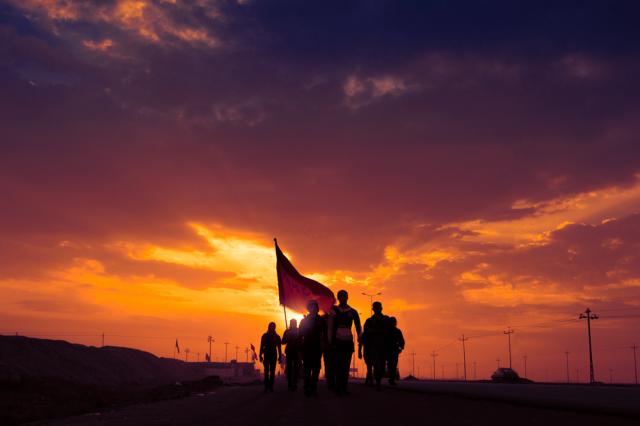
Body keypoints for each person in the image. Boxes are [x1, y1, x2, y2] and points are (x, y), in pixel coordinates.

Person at [328, 289, 361, 395]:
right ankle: (338, 387)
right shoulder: (333, 310)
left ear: (347, 297)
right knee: (337, 366)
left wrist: (360, 339)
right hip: (336, 342)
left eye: (344, 296)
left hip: (348, 342)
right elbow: (330, 326)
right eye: (341, 296)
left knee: (346, 366)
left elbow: (358, 327)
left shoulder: (353, 311)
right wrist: (330, 341)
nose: (343, 298)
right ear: (338, 298)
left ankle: (344, 388)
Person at [360, 301, 389, 390]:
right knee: (376, 365)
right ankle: (378, 383)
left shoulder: (386, 319)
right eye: (375, 308)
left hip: (384, 346)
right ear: (373, 309)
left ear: (381, 308)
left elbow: (390, 331)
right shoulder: (369, 321)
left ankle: (377, 381)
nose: (377, 309)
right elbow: (366, 332)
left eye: (378, 308)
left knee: (382, 365)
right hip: (373, 346)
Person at [299, 300, 326, 397]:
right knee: (307, 368)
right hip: (306, 346)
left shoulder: (321, 320)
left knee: (316, 368)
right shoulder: (304, 321)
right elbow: (300, 335)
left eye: (314, 307)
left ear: (317, 309)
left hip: (317, 347)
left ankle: (313, 387)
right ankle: (307, 388)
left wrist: (324, 345)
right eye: (311, 307)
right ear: (308, 309)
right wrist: (300, 349)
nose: (313, 309)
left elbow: (325, 334)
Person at [259, 322, 282, 392]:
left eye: (273, 327)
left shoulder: (277, 337)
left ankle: (271, 387)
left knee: (272, 371)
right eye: (271, 326)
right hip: (266, 354)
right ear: (269, 327)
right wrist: (260, 355)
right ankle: (266, 387)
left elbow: (279, 348)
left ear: (274, 328)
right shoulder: (265, 336)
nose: (272, 328)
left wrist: (280, 357)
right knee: (266, 371)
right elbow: (261, 346)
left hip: (273, 355)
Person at [282, 318, 301, 391]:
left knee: (296, 368)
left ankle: (295, 382)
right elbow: (283, 342)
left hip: (296, 351)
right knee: (289, 368)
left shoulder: (299, 331)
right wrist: (287, 338)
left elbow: (301, 340)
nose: (294, 324)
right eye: (292, 323)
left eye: (295, 323)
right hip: (289, 351)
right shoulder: (287, 331)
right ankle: (290, 383)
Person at [387, 316, 405, 385]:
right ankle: (391, 378)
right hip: (388, 350)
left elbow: (402, 341)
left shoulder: (397, 331)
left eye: (394, 322)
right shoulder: (387, 331)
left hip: (394, 350)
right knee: (390, 364)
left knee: (393, 365)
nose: (393, 323)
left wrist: (401, 347)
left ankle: (391, 379)